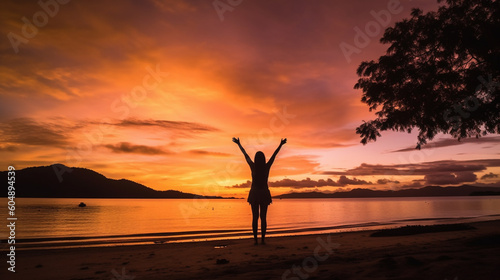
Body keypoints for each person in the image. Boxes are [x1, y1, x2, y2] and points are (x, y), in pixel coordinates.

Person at [232, 137, 287, 245]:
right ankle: (262, 240)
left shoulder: (253, 167)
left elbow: (245, 155)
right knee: (263, 218)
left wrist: (239, 144)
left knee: (255, 218)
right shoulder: (266, 167)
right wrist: (281, 144)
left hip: (255, 193)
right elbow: (274, 155)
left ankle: (256, 240)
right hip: (263, 193)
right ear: (263, 159)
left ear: (256, 159)